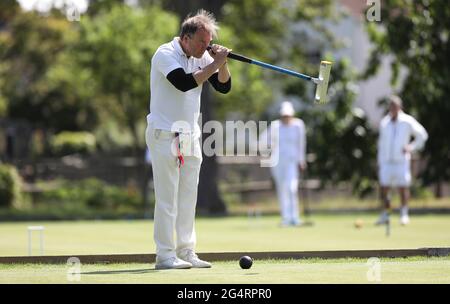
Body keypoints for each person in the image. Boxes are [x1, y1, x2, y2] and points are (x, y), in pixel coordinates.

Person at [145, 10, 231, 269]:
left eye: (208, 43)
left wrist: (222, 62)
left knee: (187, 199)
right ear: (185, 37)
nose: (206, 48)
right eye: (201, 43)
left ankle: (186, 251)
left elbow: (224, 86)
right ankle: (165, 255)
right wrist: (214, 64)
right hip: (164, 134)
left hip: (190, 135)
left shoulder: (203, 56)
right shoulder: (165, 54)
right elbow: (183, 83)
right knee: (167, 198)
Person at [375, 95, 428, 226]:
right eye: (390, 106)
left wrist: (411, 147)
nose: (392, 108)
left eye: (394, 106)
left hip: (401, 161)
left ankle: (404, 214)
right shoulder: (384, 122)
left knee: (402, 187)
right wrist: (380, 162)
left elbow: (422, 135)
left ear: (399, 107)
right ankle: (385, 214)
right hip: (386, 161)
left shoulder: (407, 121)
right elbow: (381, 144)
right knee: (384, 189)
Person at [260, 101, 307, 227]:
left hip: (292, 161)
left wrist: (301, 160)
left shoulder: (298, 125)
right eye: (284, 116)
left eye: (288, 116)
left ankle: (295, 217)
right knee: (282, 190)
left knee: (292, 188)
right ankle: (286, 218)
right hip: (277, 162)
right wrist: (269, 149)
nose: (286, 118)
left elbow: (301, 144)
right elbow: (263, 140)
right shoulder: (275, 126)